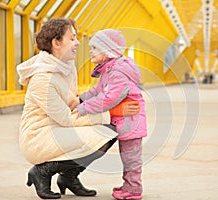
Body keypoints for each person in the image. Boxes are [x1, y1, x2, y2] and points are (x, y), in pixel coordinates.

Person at [16, 18, 139, 199]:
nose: (78, 42)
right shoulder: (42, 79)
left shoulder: (67, 67)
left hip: (59, 128)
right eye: (72, 38)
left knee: (110, 131)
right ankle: (42, 171)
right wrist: (111, 112)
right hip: (39, 136)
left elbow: (73, 102)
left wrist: (97, 103)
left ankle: (68, 177)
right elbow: (66, 118)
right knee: (105, 134)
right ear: (56, 43)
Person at [77, 29, 147, 200]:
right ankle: (129, 185)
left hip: (131, 122)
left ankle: (133, 190)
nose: (90, 51)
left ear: (108, 51)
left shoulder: (117, 73)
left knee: (131, 158)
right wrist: (80, 99)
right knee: (128, 156)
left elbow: (108, 99)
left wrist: (83, 107)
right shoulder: (109, 70)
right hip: (125, 121)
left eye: (94, 47)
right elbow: (98, 91)